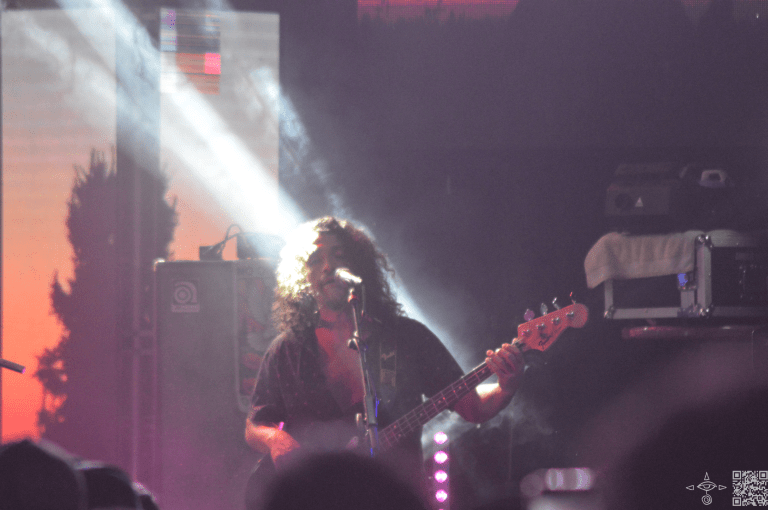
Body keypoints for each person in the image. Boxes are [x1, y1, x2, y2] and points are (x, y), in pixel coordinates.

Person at [244, 216, 524, 504]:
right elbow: (254, 425)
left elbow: (472, 405)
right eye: (315, 259)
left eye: (339, 255)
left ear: (359, 266)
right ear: (302, 276)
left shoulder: (407, 338)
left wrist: (506, 386)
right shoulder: (287, 350)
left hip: (392, 497)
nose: (328, 266)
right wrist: (274, 440)